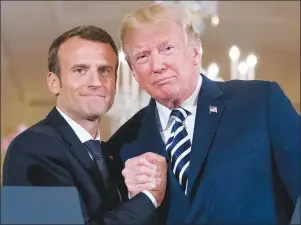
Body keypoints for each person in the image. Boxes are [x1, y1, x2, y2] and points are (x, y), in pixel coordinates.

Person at [107, 2, 301, 225]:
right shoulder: (122, 146)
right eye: (142, 56)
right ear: (133, 72)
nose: (157, 65)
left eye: (167, 48)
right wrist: (135, 202)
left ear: (195, 51)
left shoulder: (260, 101)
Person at [2, 25, 167, 225]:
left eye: (104, 70)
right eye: (80, 70)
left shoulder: (111, 154)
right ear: (54, 82)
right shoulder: (32, 147)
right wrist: (148, 199)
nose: (96, 82)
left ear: (115, 82)